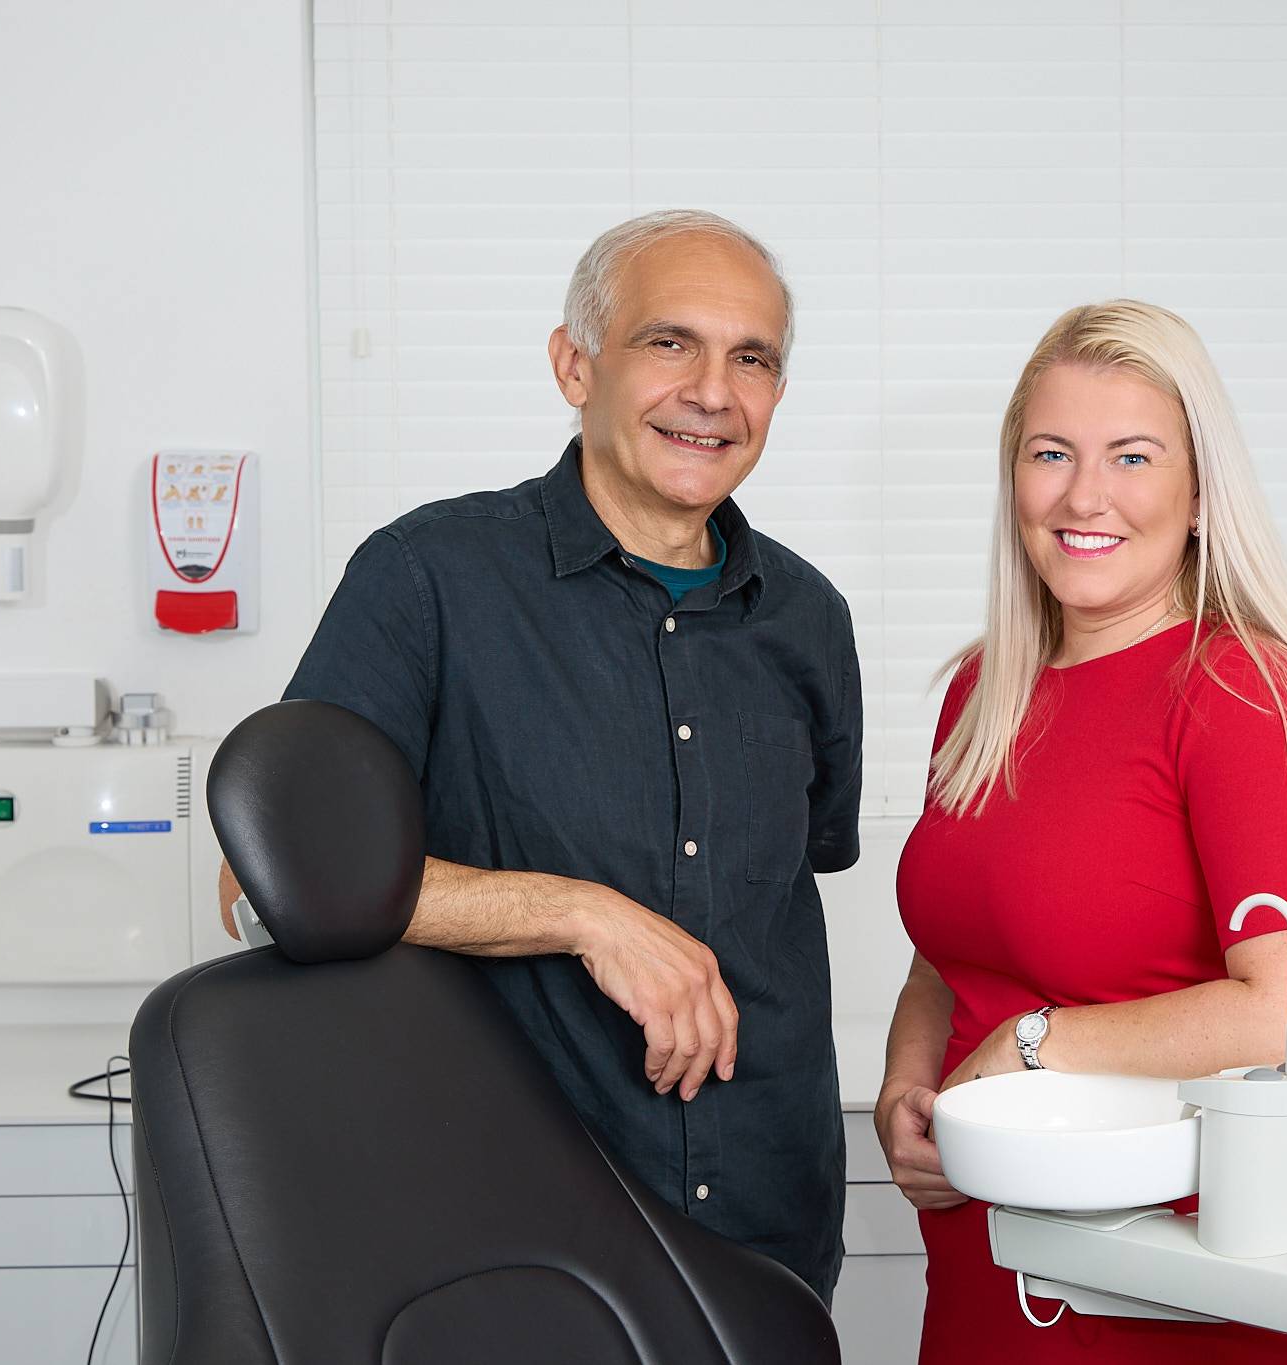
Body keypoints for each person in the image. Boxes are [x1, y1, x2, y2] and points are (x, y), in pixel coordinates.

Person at [220, 209, 863, 1301]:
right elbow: (264, 886)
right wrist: (581, 913)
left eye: (750, 358)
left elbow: (783, 894)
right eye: (669, 342)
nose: (713, 391)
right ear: (575, 365)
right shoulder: (427, 578)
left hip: (771, 1225)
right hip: (503, 1232)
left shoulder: (809, 617)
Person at [876, 300, 1287, 1361]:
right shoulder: (983, 687)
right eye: (1050, 453)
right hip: (986, 1242)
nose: (1083, 495)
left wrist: (1032, 1046)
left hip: (1169, 1265)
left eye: (1132, 456)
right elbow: (947, 956)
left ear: (1200, 495)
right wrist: (906, 1092)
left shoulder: (1246, 696)